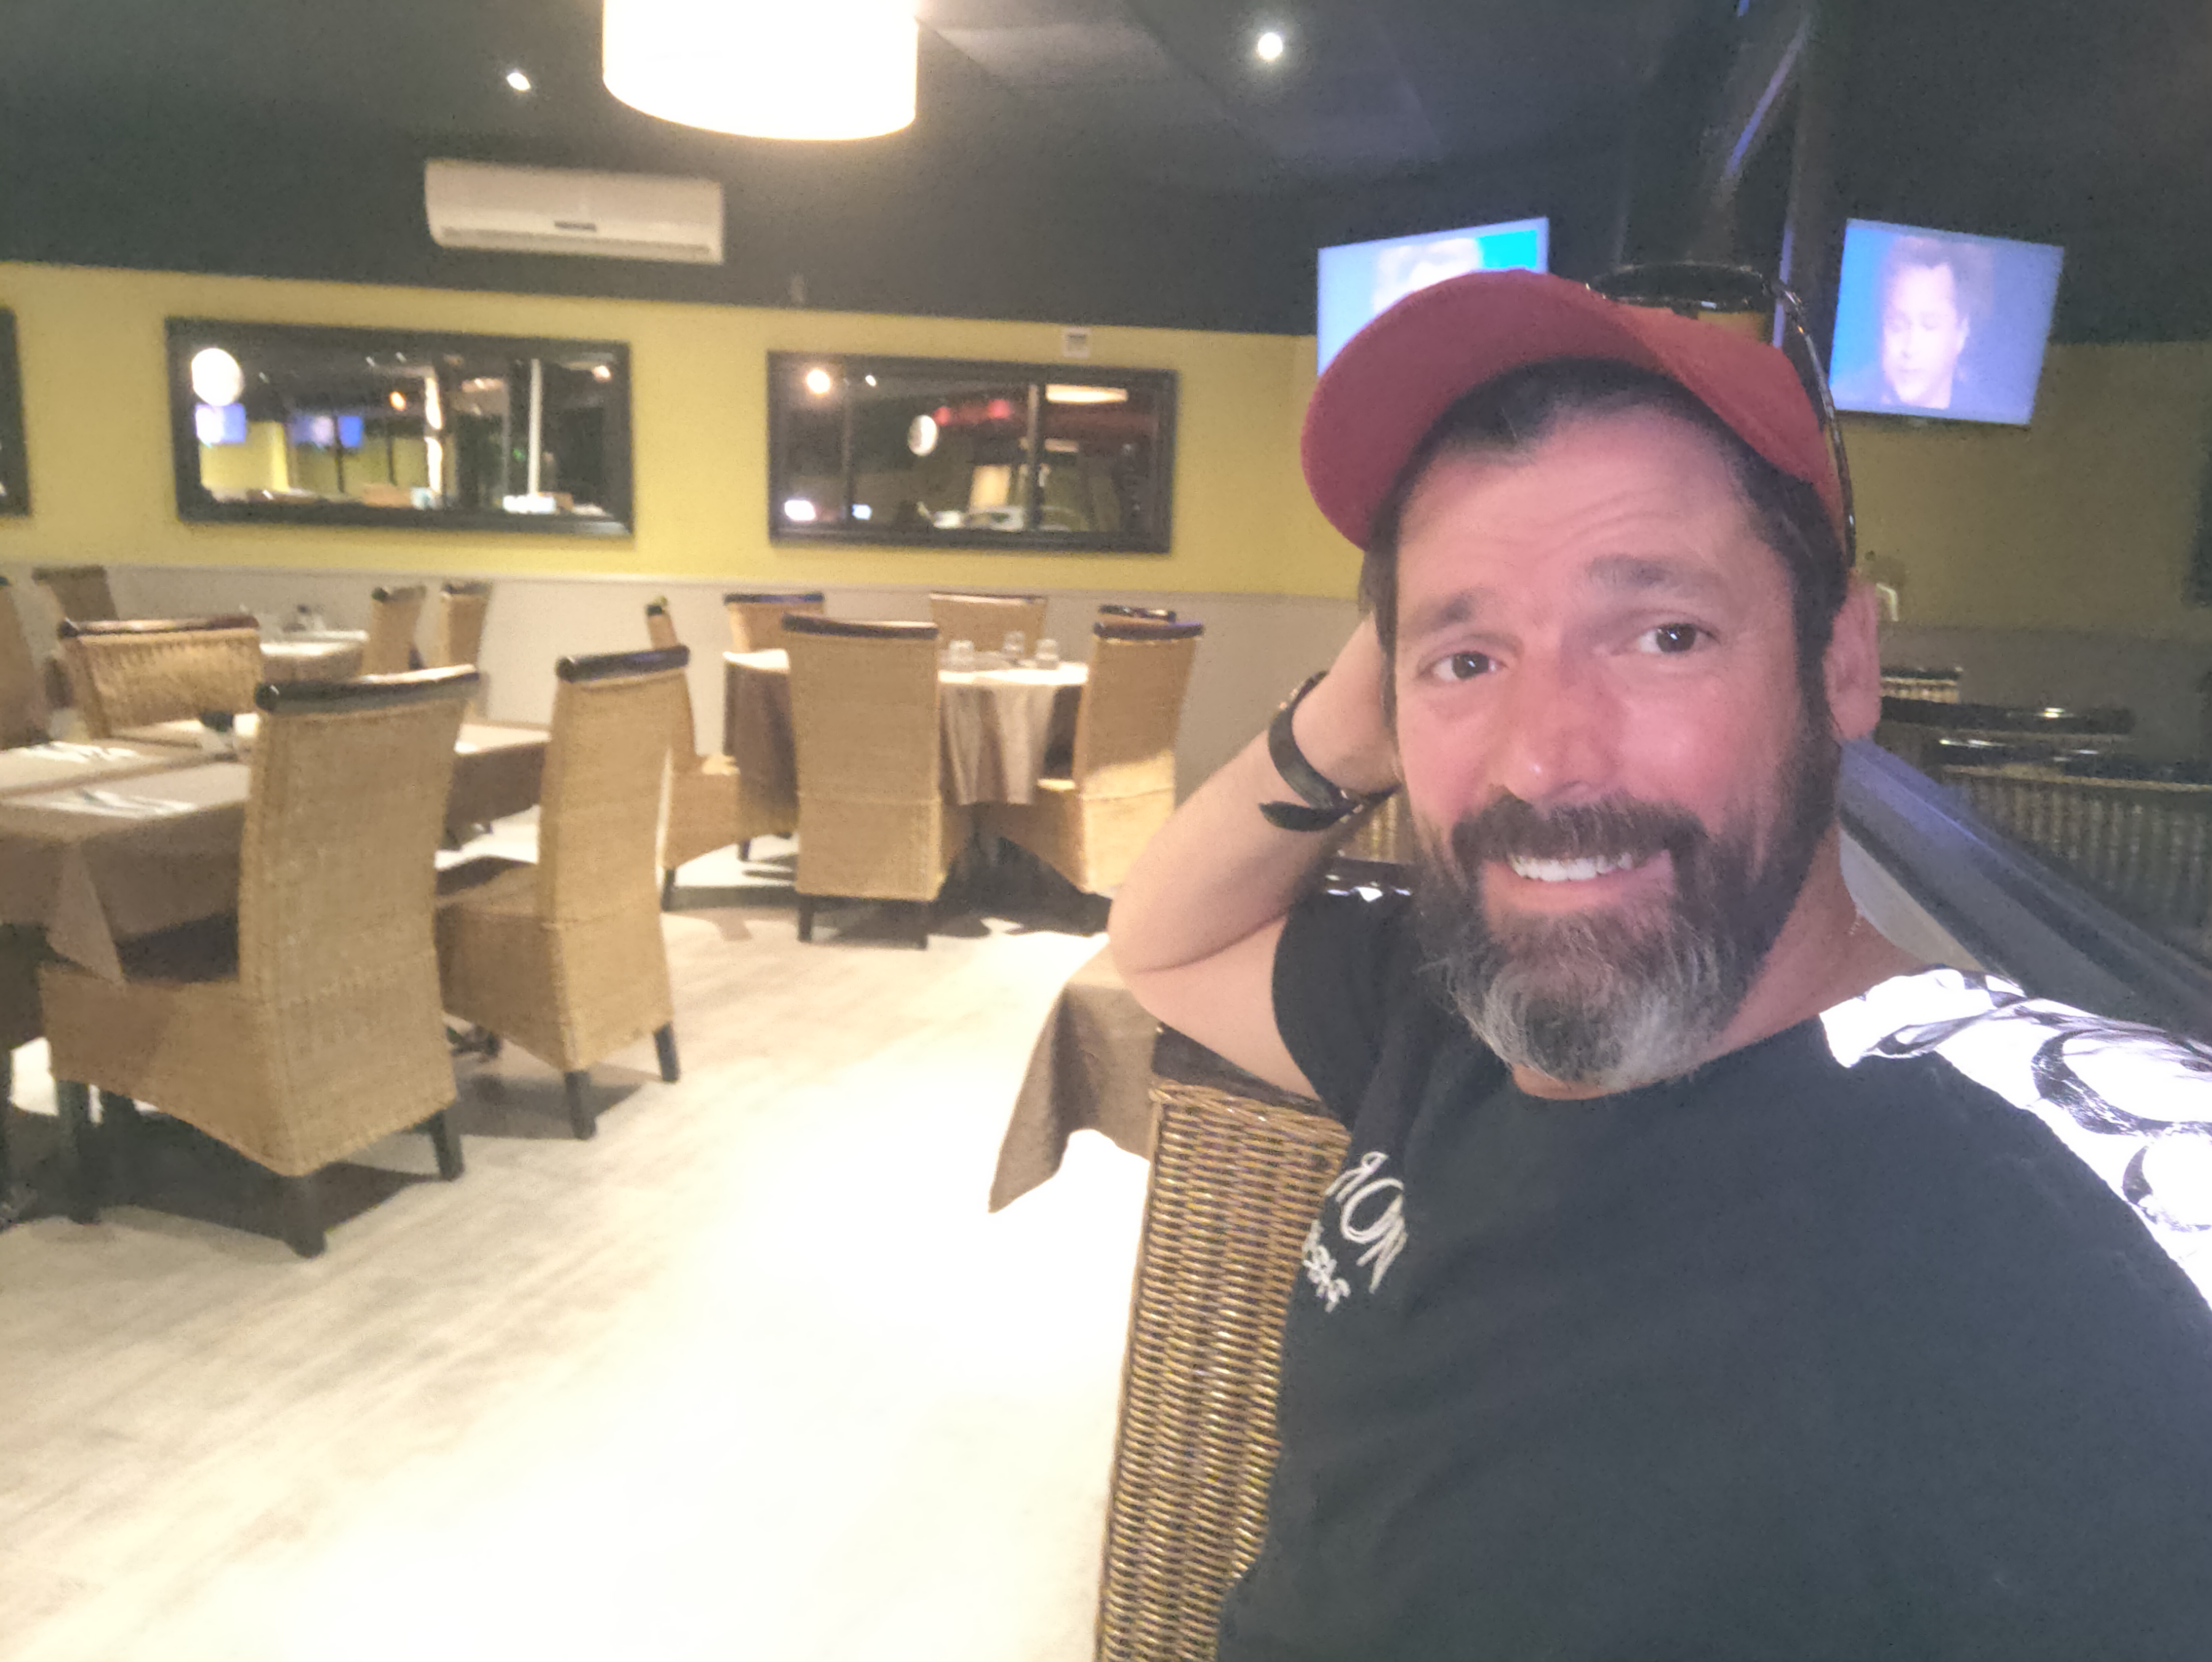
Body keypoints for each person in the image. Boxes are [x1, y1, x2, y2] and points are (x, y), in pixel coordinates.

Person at [1108, 267, 2212, 1659]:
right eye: (1467, 661)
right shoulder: (1452, 998)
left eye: (1664, 634)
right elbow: (1165, 937)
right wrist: (1336, 723)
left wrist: (1447, 645)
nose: (1540, 758)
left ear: (1841, 664)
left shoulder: (2091, 1189)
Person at [1837, 233, 1991, 414]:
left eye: (1929, 325)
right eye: (1897, 326)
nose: (1910, 348)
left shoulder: (1988, 417)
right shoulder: (1838, 400)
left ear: (1962, 332)